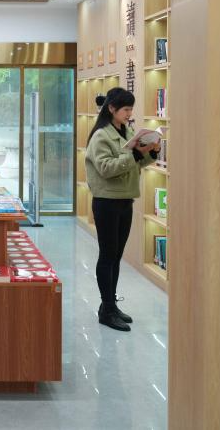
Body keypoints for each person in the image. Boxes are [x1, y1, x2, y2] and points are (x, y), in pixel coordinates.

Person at [85, 87, 160, 332]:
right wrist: (135, 155)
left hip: (125, 200)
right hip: (106, 202)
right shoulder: (101, 136)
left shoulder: (126, 131)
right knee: (107, 255)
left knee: (117, 256)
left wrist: (151, 152)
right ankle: (106, 310)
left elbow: (136, 162)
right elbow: (106, 168)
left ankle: (111, 305)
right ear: (112, 108)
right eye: (126, 109)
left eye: (131, 109)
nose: (129, 114)